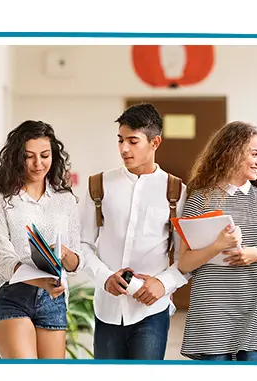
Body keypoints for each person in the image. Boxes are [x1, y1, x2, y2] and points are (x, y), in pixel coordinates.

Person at [80, 103, 189, 360]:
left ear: (155, 143)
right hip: (107, 309)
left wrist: (163, 284)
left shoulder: (176, 191)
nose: (123, 149)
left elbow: (187, 257)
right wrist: (104, 277)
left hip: (151, 311)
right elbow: (82, 244)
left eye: (132, 141)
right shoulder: (99, 185)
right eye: (120, 140)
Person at [177, 121, 257, 361]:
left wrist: (256, 254)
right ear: (232, 151)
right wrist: (218, 245)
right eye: (254, 154)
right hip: (212, 306)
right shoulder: (200, 200)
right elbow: (184, 263)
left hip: (255, 304)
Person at [0, 120, 84, 359]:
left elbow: (76, 261)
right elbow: (1, 255)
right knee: (25, 377)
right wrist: (38, 280)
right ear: (17, 158)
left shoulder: (64, 199)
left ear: (53, 156)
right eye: (29, 156)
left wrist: (65, 253)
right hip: (9, 294)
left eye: (45, 155)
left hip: (53, 296)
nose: (38, 164)